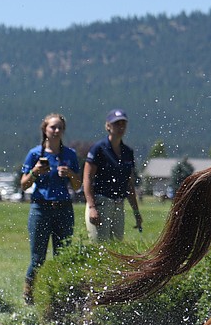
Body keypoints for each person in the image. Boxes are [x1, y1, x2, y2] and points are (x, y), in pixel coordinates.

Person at [20, 113, 81, 303]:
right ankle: (29, 293)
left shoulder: (69, 155)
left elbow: (78, 185)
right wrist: (35, 172)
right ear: (44, 130)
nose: (56, 131)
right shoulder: (35, 154)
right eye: (52, 127)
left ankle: (60, 296)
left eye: (59, 128)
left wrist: (70, 173)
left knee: (63, 255)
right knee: (38, 257)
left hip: (63, 208)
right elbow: (23, 185)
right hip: (41, 208)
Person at [83, 108, 142, 242]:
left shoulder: (127, 152)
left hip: (119, 205)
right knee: (101, 247)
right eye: (117, 123)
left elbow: (129, 184)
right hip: (101, 203)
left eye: (123, 124)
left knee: (116, 249)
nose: (120, 127)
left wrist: (136, 212)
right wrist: (92, 207)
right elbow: (87, 178)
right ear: (108, 126)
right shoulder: (98, 149)